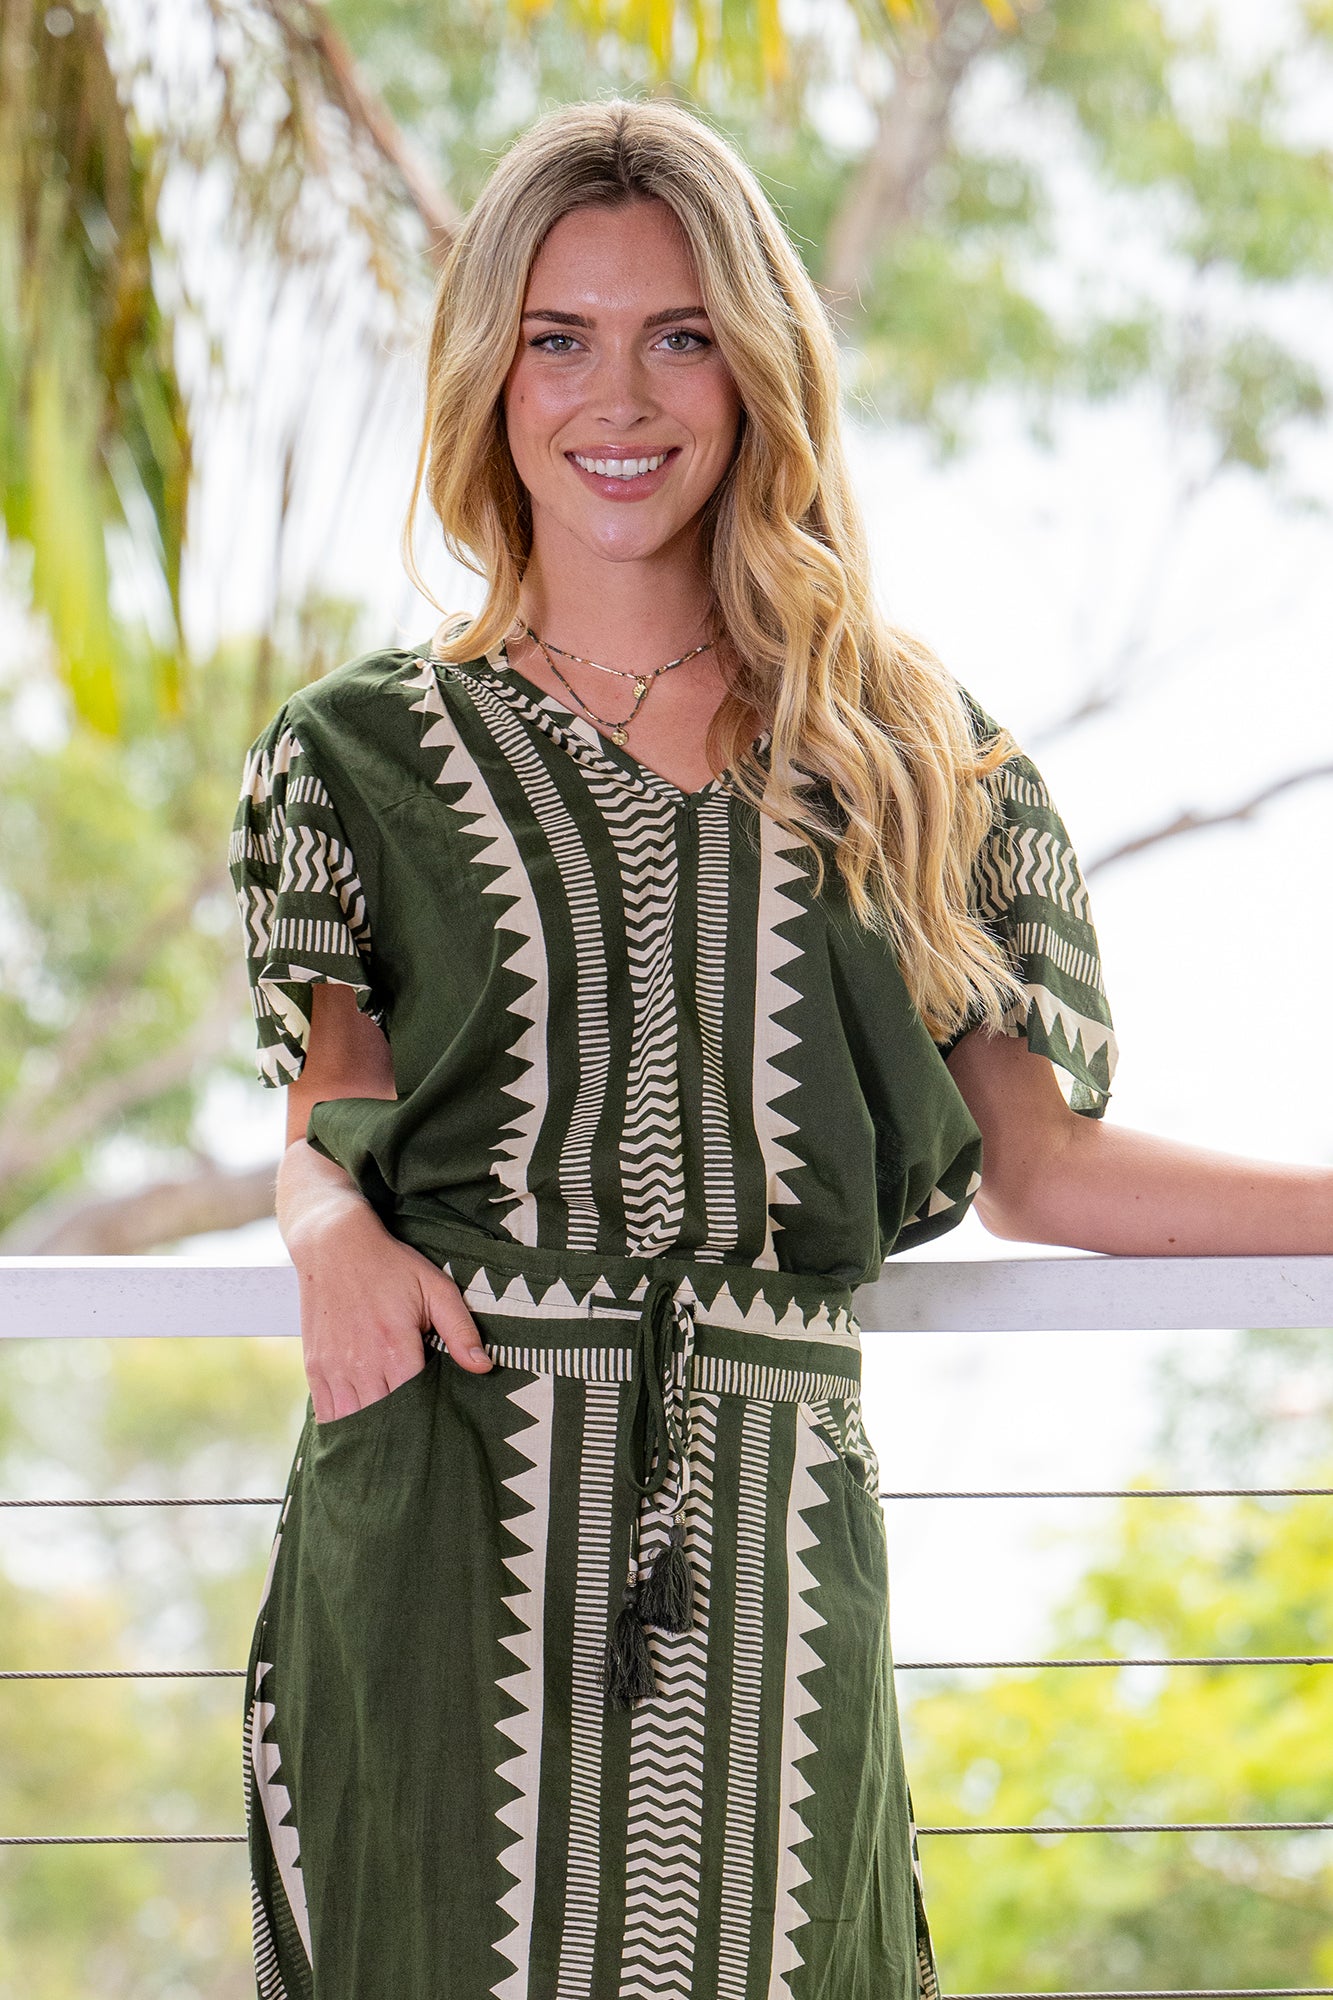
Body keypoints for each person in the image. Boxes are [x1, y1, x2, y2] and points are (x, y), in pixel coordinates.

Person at [228, 96, 1332, 2000]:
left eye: (679, 335)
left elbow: (1042, 1170)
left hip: (764, 1535)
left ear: (758, 368)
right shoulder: (356, 754)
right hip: (436, 1523)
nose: (617, 398)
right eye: (559, 338)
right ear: (490, 375)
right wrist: (324, 1228)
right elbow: (334, 1119)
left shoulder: (904, 751)